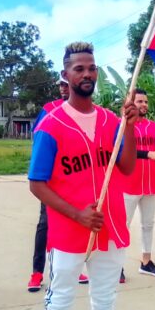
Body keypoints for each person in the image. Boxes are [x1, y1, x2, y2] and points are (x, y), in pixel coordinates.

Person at [27, 42, 138, 310]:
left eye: (91, 68)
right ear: (66, 75)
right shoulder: (51, 125)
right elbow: (37, 183)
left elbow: (125, 168)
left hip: (109, 227)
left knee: (104, 300)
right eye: (79, 68)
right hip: (71, 231)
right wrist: (77, 214)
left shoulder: (110, 120)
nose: (87, 74)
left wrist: (130, 126)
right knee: (58, 303)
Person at [28, 78, 90, 291]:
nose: (63, 87)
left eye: (66, 84)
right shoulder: (50, 110)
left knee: (75, 223)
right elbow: (38, 138)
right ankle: (37, 272)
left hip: (75, 179)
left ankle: (75, 268)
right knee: (45, 224)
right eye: (61, 85)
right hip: (53, 180)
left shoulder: (84, 111)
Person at [123, 88, 155, 279]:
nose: (144, 105)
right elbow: (122, 152)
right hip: (128, 184)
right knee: (124, 225)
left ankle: (146, 262)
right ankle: (117, 266)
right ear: (130, 103)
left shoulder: (153, 126)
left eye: (145, 102)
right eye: (139, 101)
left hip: (149, 184)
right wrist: (148, 154)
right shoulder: (123, 126)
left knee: (148, 224)